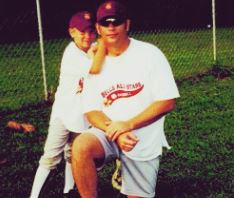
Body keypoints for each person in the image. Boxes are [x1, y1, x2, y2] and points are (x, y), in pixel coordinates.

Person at [71, 1, 180, 198]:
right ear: (98, 28)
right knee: (80, 147)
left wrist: (128, 125)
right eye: (105, 23)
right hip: (109, 131)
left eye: (116, 22)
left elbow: (167, 101)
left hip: (141, 137)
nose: (111, 28)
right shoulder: (94, 64)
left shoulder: (150, 54)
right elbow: (91, 110)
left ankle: (127, 168)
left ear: (127, 24)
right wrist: (116, 131)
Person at [30, 11, 105, 198]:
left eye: (91, 32)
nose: (87, 36)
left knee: (73, 154)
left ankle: (68, 191)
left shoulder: (91, 48)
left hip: (83, 114)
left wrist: (99, 46)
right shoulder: (71, 53)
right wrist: (101, 46)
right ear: (72, 32)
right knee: (50, 157)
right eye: (82, 32)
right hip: (64, 114)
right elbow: (95, 67)